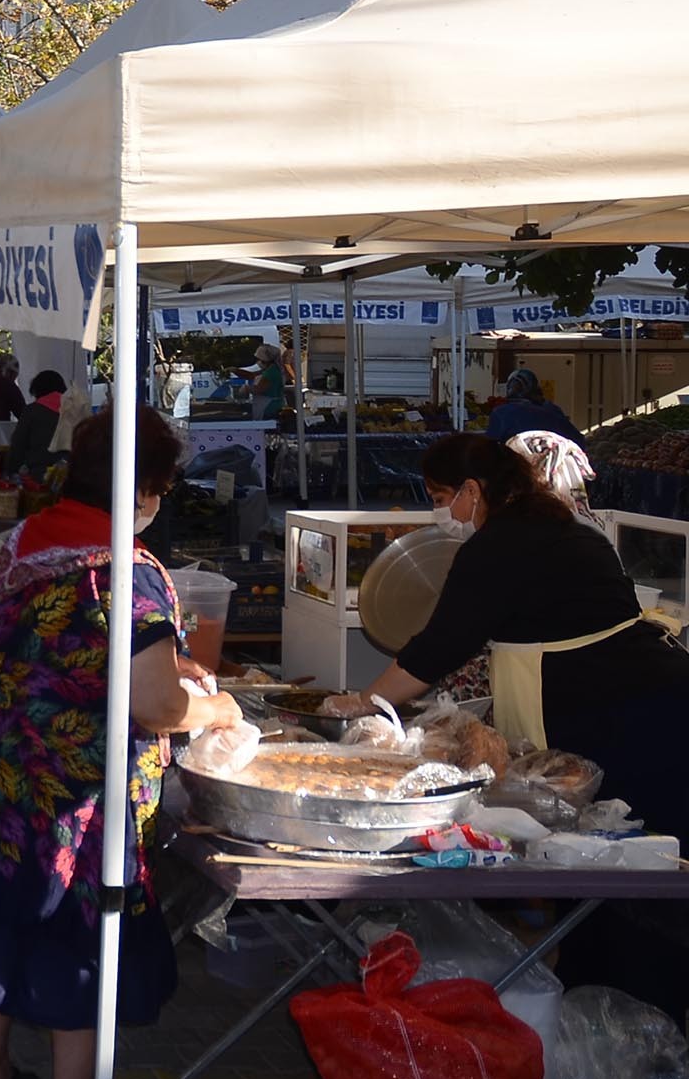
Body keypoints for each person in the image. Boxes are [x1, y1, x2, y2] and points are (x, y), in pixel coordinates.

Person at [0, 406, 239, 1079]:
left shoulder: (26, 539)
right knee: (76, 938)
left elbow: (61, 646)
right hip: (74, 797)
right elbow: (157, 705)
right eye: (159, 486)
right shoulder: (125, 569)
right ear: (143, 487)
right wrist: (217, 706)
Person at [356, 435, 687, 835]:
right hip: (653, 684)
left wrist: (361, 704)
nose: (439, 511)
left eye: (440, 498)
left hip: (609, 704)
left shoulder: (495, 547)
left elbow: (434, 651)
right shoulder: (560, 524)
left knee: (618, 823)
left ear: (471, 490)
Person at [3, 370, 68, 478]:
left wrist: (10, 472)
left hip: (38, 475)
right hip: (70, 475)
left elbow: (18, 446)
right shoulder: (76, 411)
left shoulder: (32, 411)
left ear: (37, 390)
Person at [489, 367, 581, 442]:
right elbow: (578, 440)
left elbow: (490, 444)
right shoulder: (552, 410)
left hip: (515, 459)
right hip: (551, 458)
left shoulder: (501, 413)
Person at [249, 343, 291, 421]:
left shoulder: (271, 372)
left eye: (259, 359)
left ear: (265, 359)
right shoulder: (273, 369)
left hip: (269, 408)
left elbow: (260, 389)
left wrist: (247, 389)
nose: (258, 362)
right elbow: (252, 375)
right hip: (274, 405)